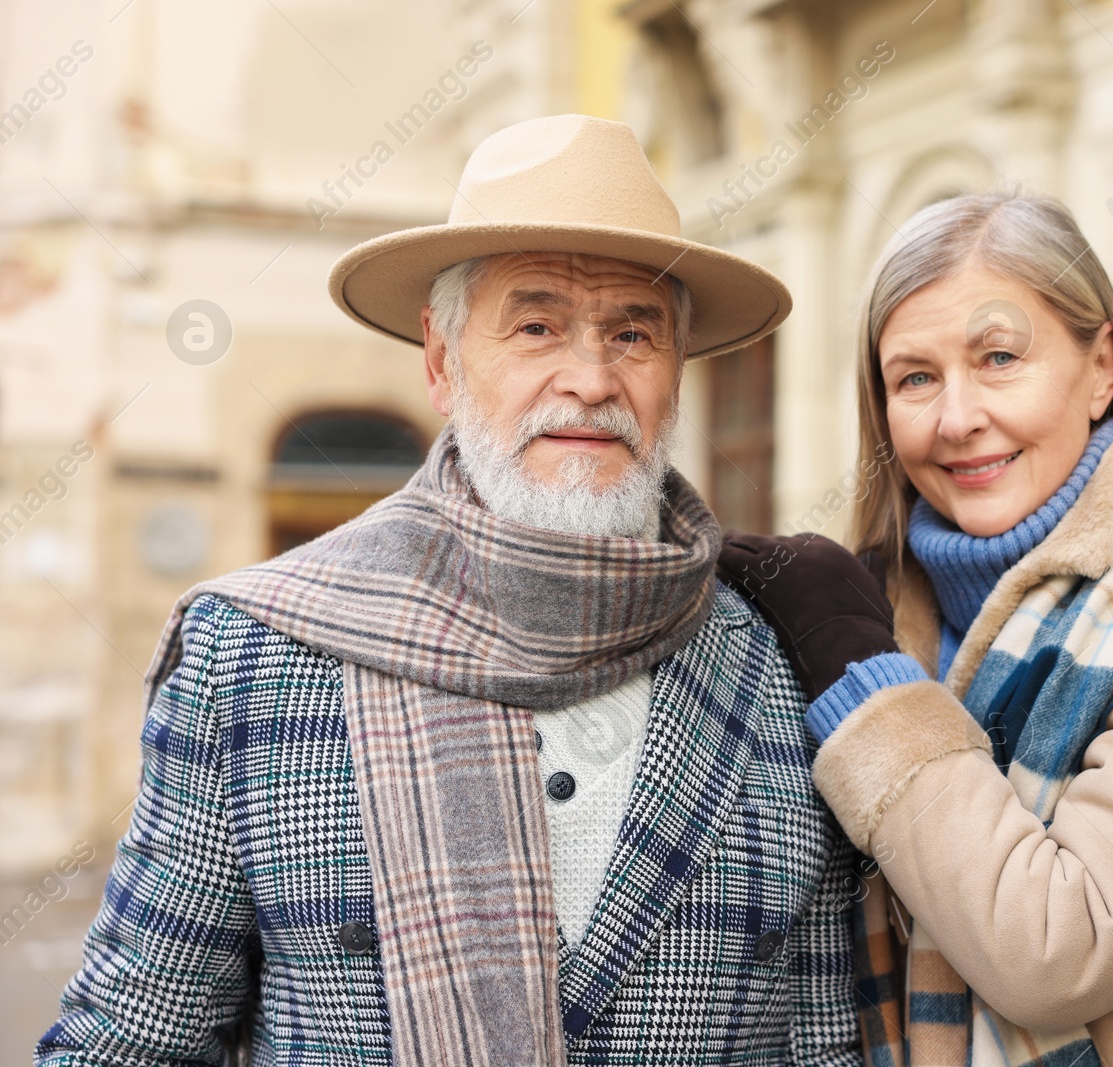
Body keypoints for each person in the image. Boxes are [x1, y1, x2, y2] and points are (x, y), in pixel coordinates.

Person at [38, 115, 862, 1067]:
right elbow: (129, 1041)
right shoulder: (247, 655)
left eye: (633, 333)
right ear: (440, 358)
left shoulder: (779, 660)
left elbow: (827, 1042)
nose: (590, 379)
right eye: (537, 326)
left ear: (676, 371)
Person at [723, 191, 1113, 1066]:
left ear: (1101, 368)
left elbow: (1060, 950)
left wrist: (866, 680)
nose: (956, 416)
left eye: (999, 356)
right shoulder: (884, 608)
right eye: (915, 377)